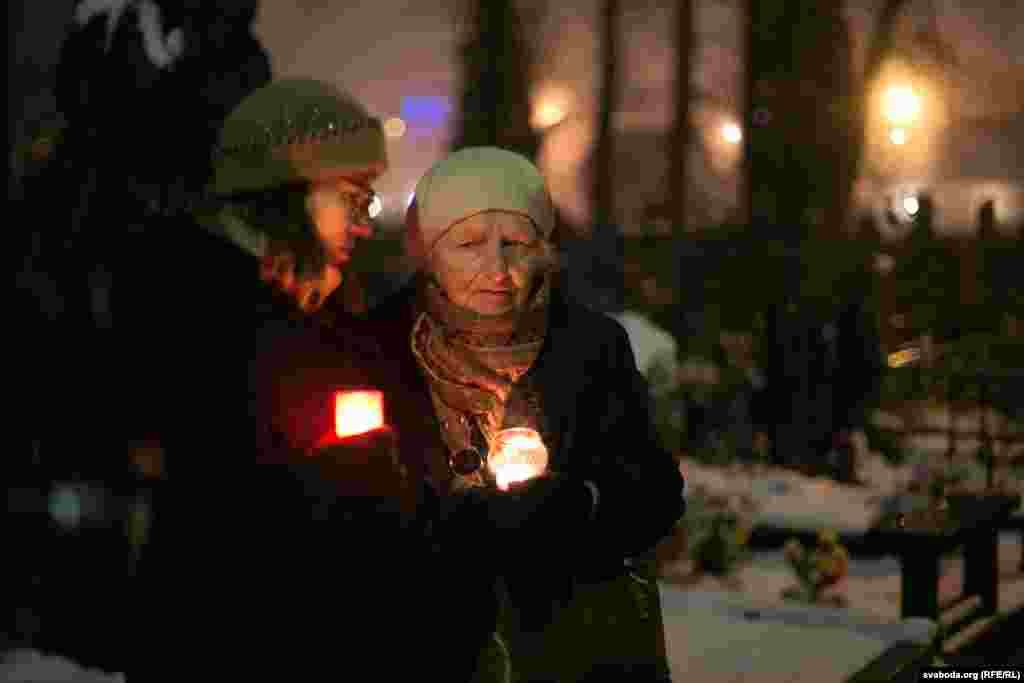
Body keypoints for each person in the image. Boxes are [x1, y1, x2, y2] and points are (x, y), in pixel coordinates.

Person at [122, 78, 437, 681]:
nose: (364, 225)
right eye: (353, 199)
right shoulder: (197, 308)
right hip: (225, 641)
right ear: (289, 193)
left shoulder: (321, 306)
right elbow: (245, 499)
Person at [366, 147, 687, 681]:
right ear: (428, 253)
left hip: (567, 648)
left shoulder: (589, 346)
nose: (498, 269)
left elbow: (655, 491)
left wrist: (578, 506)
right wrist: (445, 525)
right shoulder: (374, 348)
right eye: (469, 244)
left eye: (516, 244)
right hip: (419, 646)